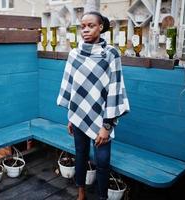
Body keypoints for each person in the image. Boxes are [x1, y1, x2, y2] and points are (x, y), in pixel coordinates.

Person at [57, 11, 130, 200]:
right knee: (80, 154)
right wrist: (71, 117)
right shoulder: (74, 54)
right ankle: (81, 192)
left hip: (103, 119)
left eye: (91, 26)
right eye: (83, 26)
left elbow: (115, 90)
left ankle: (102, 197)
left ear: (100, 27)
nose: (86, 30)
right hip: (79, 116)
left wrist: (107, 126)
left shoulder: (111, 54)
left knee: (103, 161)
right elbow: (72, 88)